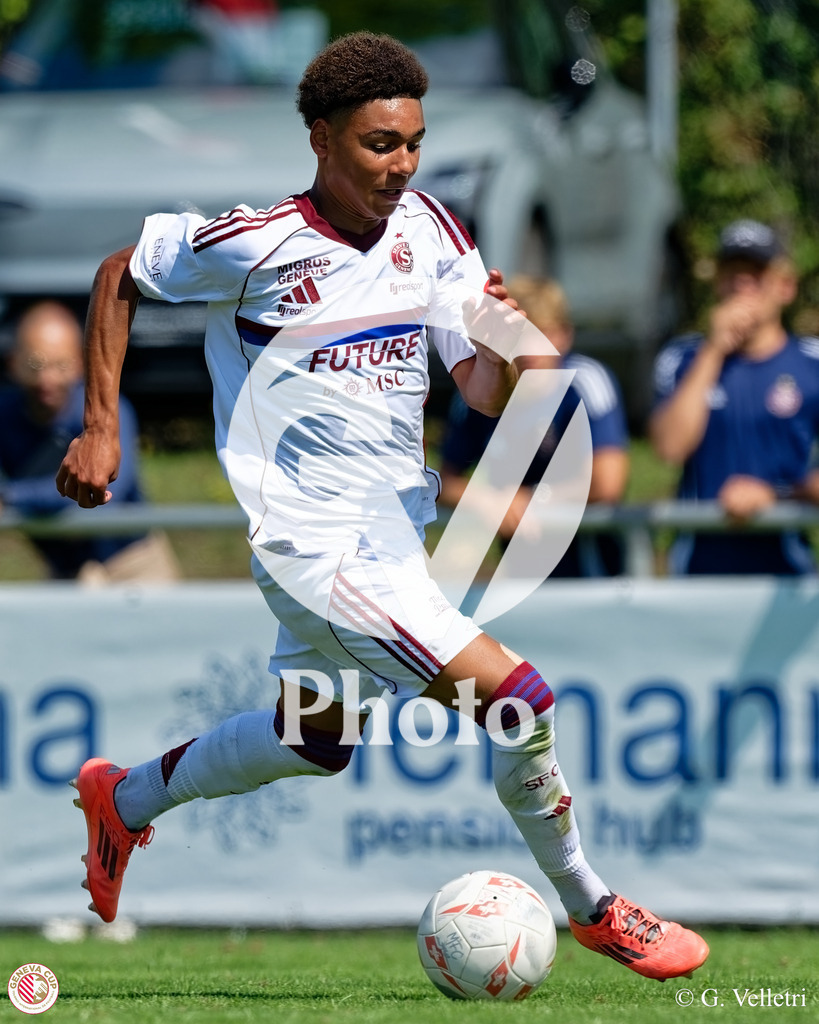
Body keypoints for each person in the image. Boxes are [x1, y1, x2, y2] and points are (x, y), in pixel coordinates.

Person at [57, 32, 707, 981]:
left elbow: (477, 388)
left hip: (393, 542)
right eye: (378, 144)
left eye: (413, 142)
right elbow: (121, 271)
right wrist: (101, 427)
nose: (401, 165)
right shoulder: (260, 242)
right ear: (321, 139)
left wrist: (516, 357)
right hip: (316, 552)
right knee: (517, 702)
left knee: (310, 741)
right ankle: (592, 906)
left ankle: (125, 800)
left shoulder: (432, 228)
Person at [649, 219, 819, 575]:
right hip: (698, 572)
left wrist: (776, 496)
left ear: (784, 287)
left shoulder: (811, 362)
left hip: (787, 573)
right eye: (731, 273)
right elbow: (669, 447)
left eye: (755, 274)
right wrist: (713, 350)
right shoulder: (681, 358)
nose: (742, 285)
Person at [438, 275, 630, 577]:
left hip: (592, 577)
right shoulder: (478, 394)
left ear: (564, 336)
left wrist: (534, 499)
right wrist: (485, 499)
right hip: (518, 576)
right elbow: (443, 481)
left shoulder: (586, 383)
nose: (529, 347)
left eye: (542, 334)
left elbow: (608, 483)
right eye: (518, 334)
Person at [0, 300, 179, 582]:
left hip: (132, 563)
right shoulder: (5, 415)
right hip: (66, 570)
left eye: (61, 365)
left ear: (81, 364)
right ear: (13, 362)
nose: (47, 378)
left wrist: (13, 496)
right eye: (35, 364)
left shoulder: (110, 412)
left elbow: (104, 495)